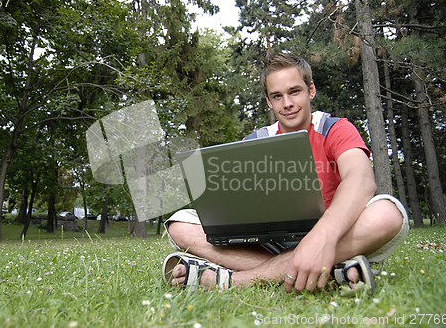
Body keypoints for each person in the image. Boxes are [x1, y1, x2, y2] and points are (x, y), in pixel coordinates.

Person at [161, 52, 409, 294]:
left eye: (294, 92)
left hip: (334, 234)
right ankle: (332, 272)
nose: (287, 104)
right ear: (269, 101)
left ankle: (235, 280)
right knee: (179, 224)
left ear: (311, 90)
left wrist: (320, 238)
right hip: (271, 242)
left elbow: (361, 180)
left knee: (387, 213)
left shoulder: (335, 128)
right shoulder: (257, 140)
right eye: (277, 96)